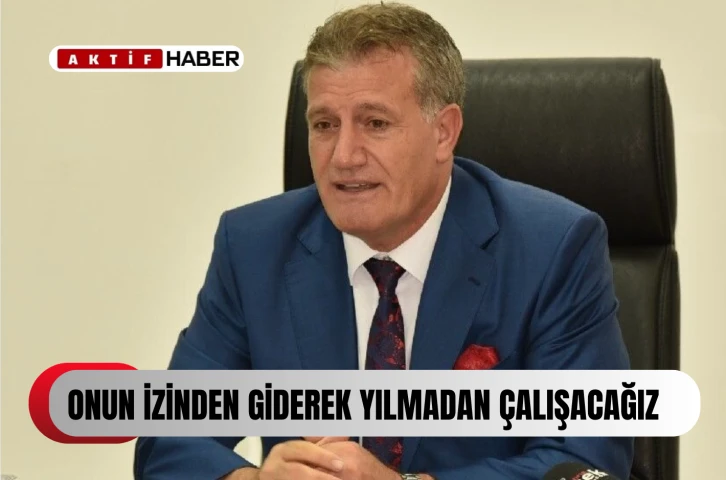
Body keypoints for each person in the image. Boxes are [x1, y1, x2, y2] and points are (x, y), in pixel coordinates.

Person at [133, 2, 634, 479]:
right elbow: (168, 440)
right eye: (324, 125)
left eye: (375, 123)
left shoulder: (552, 248)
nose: (344, 156)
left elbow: (585, 458)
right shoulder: (255, 247)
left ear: (444, 132)